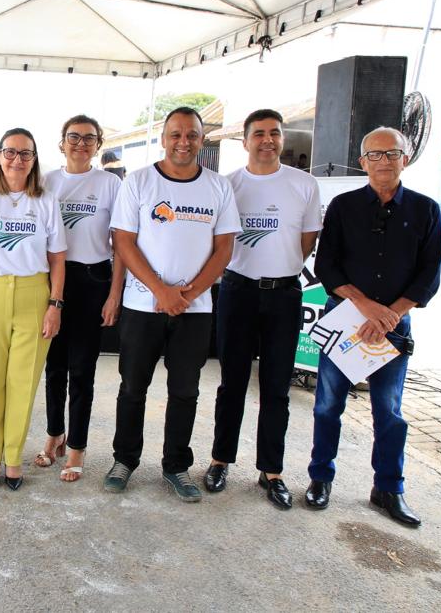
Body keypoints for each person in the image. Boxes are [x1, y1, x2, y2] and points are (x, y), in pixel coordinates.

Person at [103, 107, 241, 502]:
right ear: (164, 139)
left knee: (185, 391)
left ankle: (176, 465)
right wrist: (161, 291)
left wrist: (188, 294)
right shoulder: (139, 181)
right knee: (133, 387)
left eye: (192, 135)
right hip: (142, 306)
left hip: (194, 311)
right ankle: (124, 460)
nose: (184, 142)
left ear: (202, 140)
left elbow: (224, 248)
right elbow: (123, 241)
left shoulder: (218, 187)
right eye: (176, 134)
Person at [306, 127, 441, 527]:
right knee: (328, 405)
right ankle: (320, 478)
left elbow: (429, 274)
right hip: (346, 318)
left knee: (389, 411)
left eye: (392, 153)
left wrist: (390, 315)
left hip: (393, 326)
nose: (384, 161)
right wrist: (365, 307)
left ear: (406, 158)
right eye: (375, 155)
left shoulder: (425, 210)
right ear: (362, 162)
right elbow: (326, 265)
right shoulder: (343, 207)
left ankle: (388, 488)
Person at [203, 109, 321, 509]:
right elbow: (217, 240)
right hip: (237, 291)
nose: (267, 140)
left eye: (274, 133)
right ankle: (220, 460)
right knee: (232, 382)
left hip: (284, 295)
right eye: (259, 134)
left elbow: (306, 241)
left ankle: (271, 471)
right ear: (245, 141)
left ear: (282, 139)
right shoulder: (227, 185)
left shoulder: (303, 184)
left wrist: (280, 268)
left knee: (276, 386)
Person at [0, 128, 66, 491]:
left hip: (33, 295)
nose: (17, 159)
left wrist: (55, 304)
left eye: (26, 153)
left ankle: (13, 457)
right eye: (10, 151)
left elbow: (57, 259)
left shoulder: (45, 201)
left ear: (34, 160)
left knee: (23, 384)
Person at [36, 115, 124, 482]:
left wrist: (114, 294)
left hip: (93, 279)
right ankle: (54, 434)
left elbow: (121, 244)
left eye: (89, 138)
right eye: (74, 137)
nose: (81, 144)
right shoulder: (45, 181)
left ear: (98, 145)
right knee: (54, 367)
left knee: (82, 370)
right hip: (52, 281)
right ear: (62, 143)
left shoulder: (110, 184)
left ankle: (77, 447)